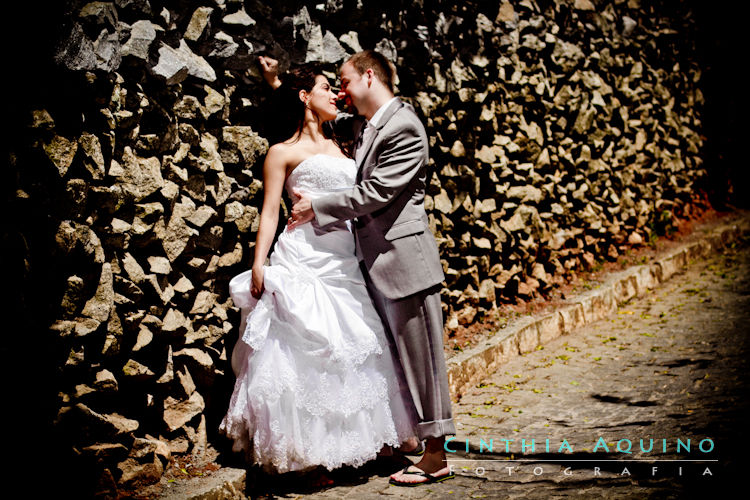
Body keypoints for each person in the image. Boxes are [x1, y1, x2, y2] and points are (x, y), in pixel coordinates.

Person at [219, 63, 418, 476]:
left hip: (346, 258)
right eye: (327, 88)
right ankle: (309, 452)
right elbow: (270, 211)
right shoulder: (282, 153)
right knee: (310, 347)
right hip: (304, 257)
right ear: (304, 96)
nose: (337, 95)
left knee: (358, 343)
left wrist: (283, 84)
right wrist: (259, 262)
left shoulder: (348, 142)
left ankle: (365, 441)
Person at [286, 50, 457, 486]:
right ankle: (416, 444)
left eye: (344, 81)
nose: (341, 91)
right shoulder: (368, 125)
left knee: (424, 361)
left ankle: (437, 456)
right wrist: (280, 86)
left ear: (367, 76)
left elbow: (378, 190)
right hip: (375, 262)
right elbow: (324, 119)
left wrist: (317, 207)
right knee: (400, 362)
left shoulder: (404, 125)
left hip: (405, 261)